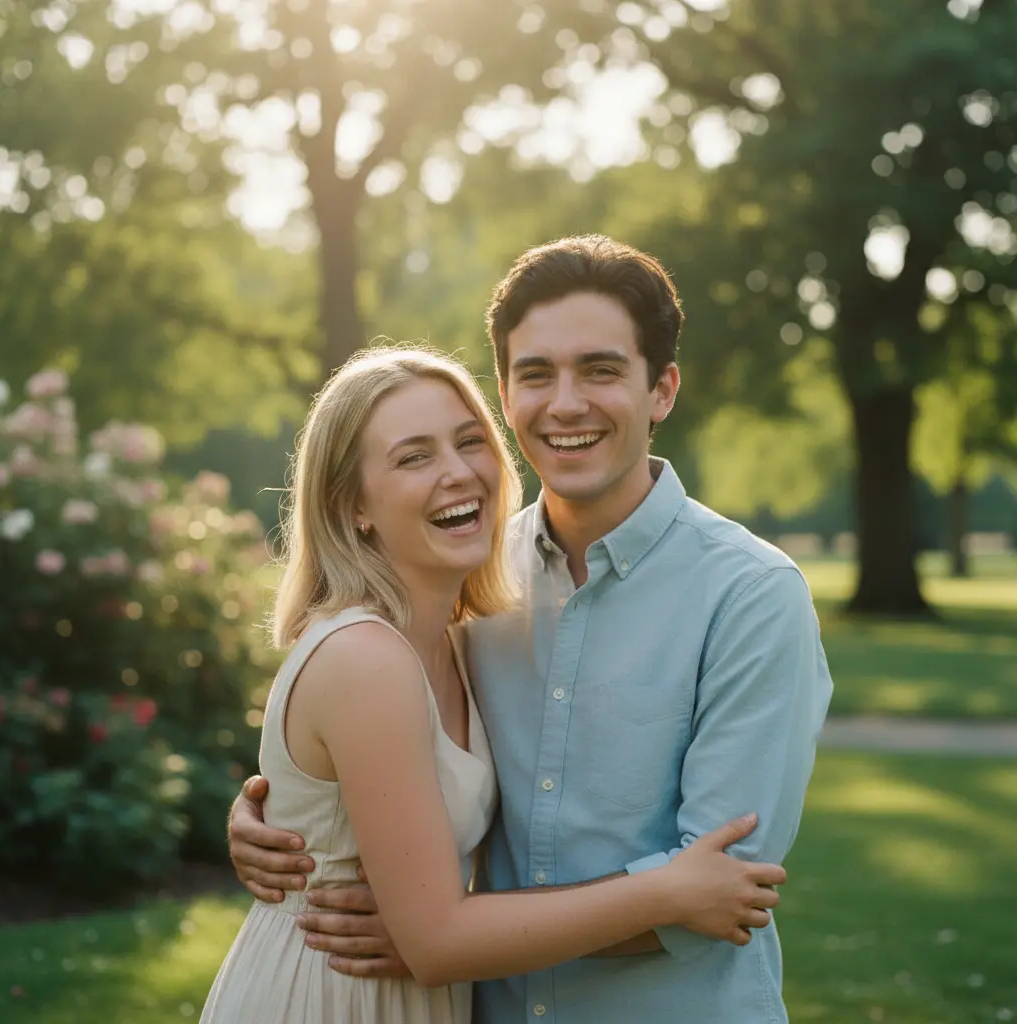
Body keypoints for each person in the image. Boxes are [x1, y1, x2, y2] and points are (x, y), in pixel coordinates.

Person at [228, 236, 834, 1023]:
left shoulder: (752, 598)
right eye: (536, 375)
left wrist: (441, 933)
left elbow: (718, 890)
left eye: (602, 370)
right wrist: (279, 821)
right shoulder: (473, 583)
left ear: (662, 390)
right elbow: (368, 745)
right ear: (507, 397)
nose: (566, 403)